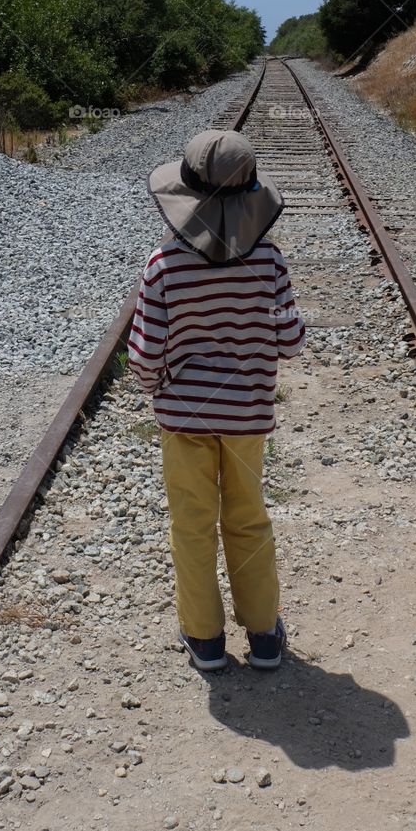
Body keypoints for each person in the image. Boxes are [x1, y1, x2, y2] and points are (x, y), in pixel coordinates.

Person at [127, 128, 306, 672]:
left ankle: (204, 639)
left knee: (192, 523)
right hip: (248, 417)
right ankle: (264, 636)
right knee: (249, 519)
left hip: (183, 419)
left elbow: (143, 356)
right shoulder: (270, 263)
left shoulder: (164, 266)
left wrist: (159, 388)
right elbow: (293, 341)